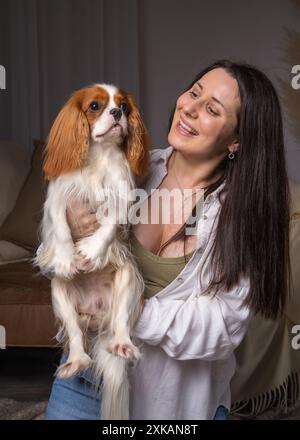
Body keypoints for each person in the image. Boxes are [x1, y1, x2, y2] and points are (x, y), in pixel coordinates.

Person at [44, 60, 292, 420]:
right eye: (194, 92)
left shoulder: (241, 215)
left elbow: (221, 329)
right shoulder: (129, 171)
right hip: (85, 379)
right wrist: (71, 232)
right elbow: (52, 259)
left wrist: (131, 311)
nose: (189, 107)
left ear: (237, 140)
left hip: (171, 404)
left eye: (211, 109)